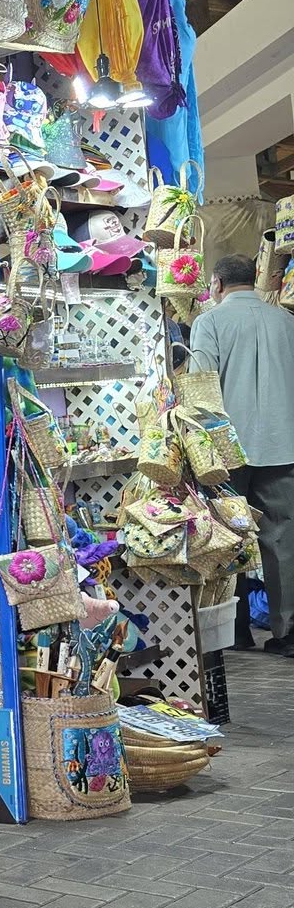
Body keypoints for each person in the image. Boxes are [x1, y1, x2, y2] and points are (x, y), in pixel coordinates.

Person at [190, 253, 294, 655]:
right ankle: (287, 633)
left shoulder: (209, 322)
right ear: (255, 279)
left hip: (227, 450)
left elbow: (200, 386)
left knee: (227, 538)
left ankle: (233, 631)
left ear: (217, 284)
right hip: (283, 445)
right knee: (282, 540)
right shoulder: (287, 321)